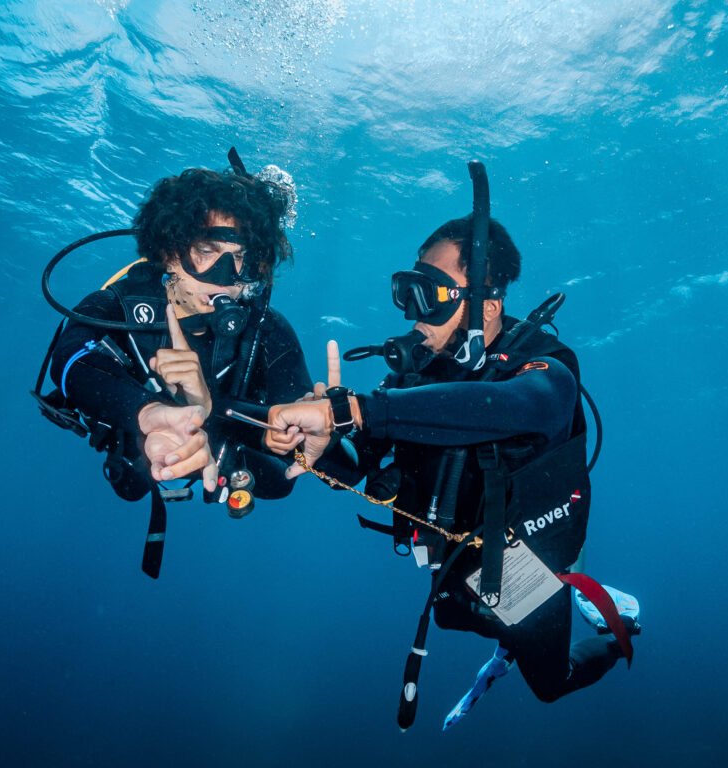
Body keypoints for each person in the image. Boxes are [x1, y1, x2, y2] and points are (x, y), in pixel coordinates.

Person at [263, 164, 639, 728]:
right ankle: (508, 639)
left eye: (430, 295)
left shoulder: (546, 368)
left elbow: (522, 407)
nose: (415, 315)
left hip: (525, 563)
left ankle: (615, 626)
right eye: (406, 293)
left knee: (551, 684)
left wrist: (359, 407)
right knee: (455, 619)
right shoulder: (415, 386)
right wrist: (312, 447)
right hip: (460, 567)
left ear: (487, 305)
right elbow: (356, 463)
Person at [40, 156, 319, 575]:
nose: (227, 275)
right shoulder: (116, 307)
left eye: (242, 257)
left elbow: (283, 478)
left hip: (226, 459)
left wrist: (216, 414)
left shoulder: (268, 331)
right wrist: (152, 414)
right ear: (169, 252)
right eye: (207, 252)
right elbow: (72, 364)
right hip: (138, 455)